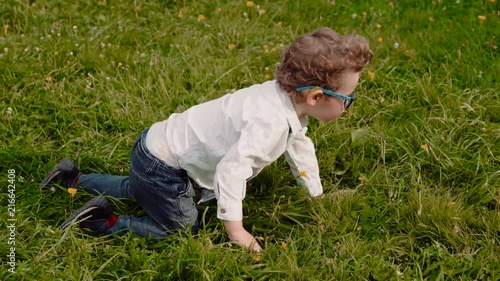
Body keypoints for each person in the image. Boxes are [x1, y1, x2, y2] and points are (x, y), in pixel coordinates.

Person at [40, 27, 373, 252]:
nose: (348, 104)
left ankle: (73, 179)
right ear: (315, 97)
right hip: (164, 165)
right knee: (180, 227)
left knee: (137, 189)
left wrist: (316, 195)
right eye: (348, 98)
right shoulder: (268, 124)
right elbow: (231, 170)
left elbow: (299, 146)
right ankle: (102, 220)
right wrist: (236, 230)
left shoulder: (280, 101)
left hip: (154, 147)